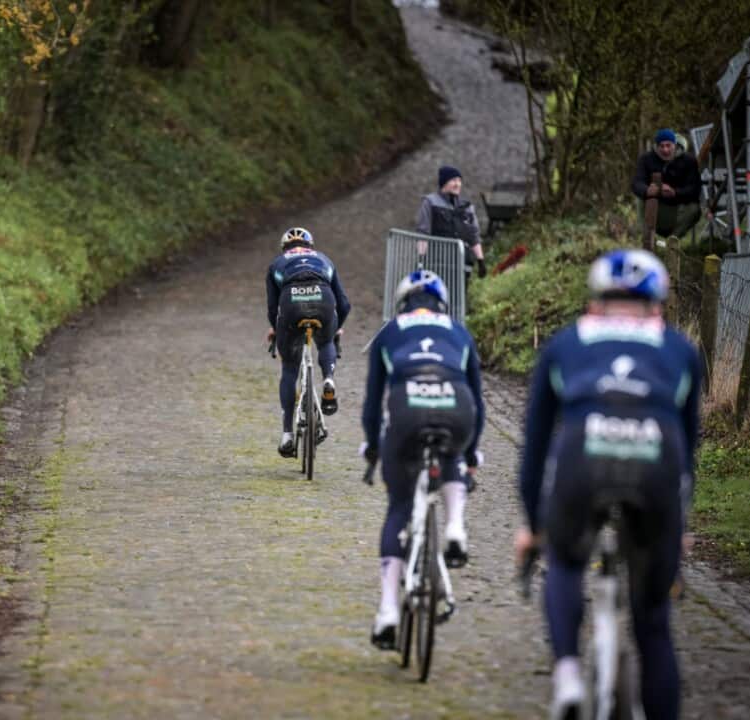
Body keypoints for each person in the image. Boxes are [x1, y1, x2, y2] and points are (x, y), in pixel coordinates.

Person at [514, 249, 701, 719]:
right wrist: (678, 528)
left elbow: (535, 443)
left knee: (564, 559)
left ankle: (569, 676)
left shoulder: (565, 343)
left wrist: (533, 524)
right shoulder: (680, 350)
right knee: (653, 623)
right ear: (657, 304)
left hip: (584, 457)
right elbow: (687, 447)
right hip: (656, 464)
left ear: (594, 302)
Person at [360, 270, 484, 649]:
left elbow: (372, 402)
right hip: (456, 406)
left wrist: (373, 447)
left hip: (407, 406)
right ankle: (456, 527)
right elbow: (478, 401)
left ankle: (387, 611)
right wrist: (472, 451)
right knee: (452, 452)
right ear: (441, 302)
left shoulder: (390, 330)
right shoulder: (460, 331)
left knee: (399, 505)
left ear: (403, 301)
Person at [266, 227, 351, 457]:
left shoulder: (277, 263)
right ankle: (329, 380)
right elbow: (343, 303)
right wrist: (336, 328)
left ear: (285, 248)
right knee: (325, 342)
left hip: (291, 303)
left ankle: (287, 435)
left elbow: (273, 309)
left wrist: (276, 331)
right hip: (323, 299)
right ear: (310, 246)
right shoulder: (324, 260)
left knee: (289, 367)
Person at [416, 165, 486, 281]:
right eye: (453, 180)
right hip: (437, 265)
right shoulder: (430, 202)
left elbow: (474, 236)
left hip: (462, 265)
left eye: (459, 181)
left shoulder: (467, 207)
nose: (457, 184)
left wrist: (480, 260)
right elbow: (423, 233)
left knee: (460, 299)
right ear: (444, 182)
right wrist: (421, 261)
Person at [631, 128, 702, 239]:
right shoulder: (646, 159)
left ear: (675, 145)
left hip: (678, 209)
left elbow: (694, 189)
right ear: (656, 146)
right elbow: (636, 183)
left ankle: (672, 241)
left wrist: (675, 192)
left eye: (668, 145)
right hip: (655, 207)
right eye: (661, 146)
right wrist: (647, 190)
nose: (665, 150)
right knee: (640, 199)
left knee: (694, 209)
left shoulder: (689, 161)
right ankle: (649, 239)